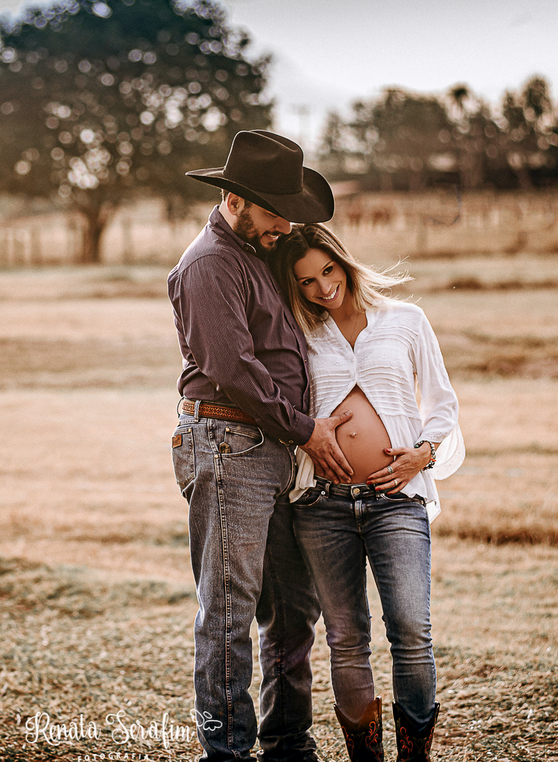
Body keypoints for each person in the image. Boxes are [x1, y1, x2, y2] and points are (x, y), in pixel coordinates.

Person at [168, 130, 353, 762]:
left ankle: (286, 742)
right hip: (228, 446)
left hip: (269, 449)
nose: (286, 224)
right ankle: (227, 751)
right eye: (276, 211)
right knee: (228, 610)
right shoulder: (209, 265)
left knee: (291, 606)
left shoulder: (257, 251)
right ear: (237, 200)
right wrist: (308, 430)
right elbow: (234, 371)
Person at [266, 223, 464, 762]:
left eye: (327, 270)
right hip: (322, 506)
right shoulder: (299, 334)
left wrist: (422, 454)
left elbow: (442, 403)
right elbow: (282, 407)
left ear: (344, 262)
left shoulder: (406, 320)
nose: (322, 287)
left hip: (397, 500)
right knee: (346, 638)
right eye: (305, 281)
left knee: (410, 629)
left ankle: (415, 756)